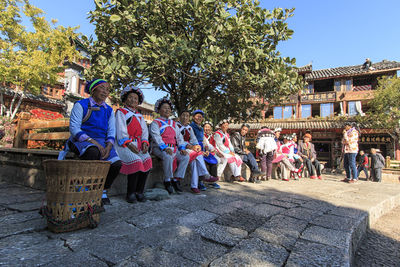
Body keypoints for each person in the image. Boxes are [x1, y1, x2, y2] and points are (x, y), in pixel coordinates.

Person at [59, 79, 122, 205]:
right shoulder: (81, 105)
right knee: (93, 152)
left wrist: (109, 146)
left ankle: (102, 190)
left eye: (107, 89)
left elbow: (111, 130)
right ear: (93, 90)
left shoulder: (109, 110)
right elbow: (74, 129)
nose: (105, 92)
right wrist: (94, 143)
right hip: (81, 140)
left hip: (102, 143)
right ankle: (85, 189)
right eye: (102, 88)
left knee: (116, 164)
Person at [115, 85, 152, 203]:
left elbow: (144, 132)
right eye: (130, 97)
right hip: (124, 145)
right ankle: (130, 193)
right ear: (125, 99)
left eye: (135, 99)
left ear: (138, 102)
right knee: (136, 161)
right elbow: (120, 131)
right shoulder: (121, 112)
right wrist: (129, 144)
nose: (133, 100)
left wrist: (145, 143)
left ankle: (139, 191)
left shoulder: (140, 116)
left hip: (138, 145)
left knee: (147, 160)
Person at [150, 97, 190, 194]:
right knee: (167, 156)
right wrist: (164, 147)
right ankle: (167, 180)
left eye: (169, 108)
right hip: (159, 148)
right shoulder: (156, 122)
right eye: (164, 108)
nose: (167, 110)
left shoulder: (173, 123)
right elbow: (156, 137)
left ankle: (176, 179)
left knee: (185, 156)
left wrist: (182, 148)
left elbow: (179, 137)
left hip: (173, 148)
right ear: (159, 110)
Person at [177, 110, 218, 194]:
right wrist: (193, 146)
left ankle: (195, 186)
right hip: (180, 147)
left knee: (195, 162)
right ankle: (203, 177)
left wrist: (197, 145)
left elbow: (194, 139)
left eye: (187, 116)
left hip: (192, 148)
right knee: (198, 155)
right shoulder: (176, 126)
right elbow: (178, 139)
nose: (185, 118)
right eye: (183, 115)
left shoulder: (190, 128)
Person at [190, 112, 221, 190]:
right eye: (197, 116)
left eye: (201, 117)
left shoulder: (200, 128)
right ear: (193, 117)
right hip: (194, 148)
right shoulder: (191, 127)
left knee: (214, 160)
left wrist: (207, 150)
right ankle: (200, 182)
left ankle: (212, 182)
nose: (199, 118)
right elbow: (191, 140)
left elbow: (204, 141)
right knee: (200, 161)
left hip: (202, 148)